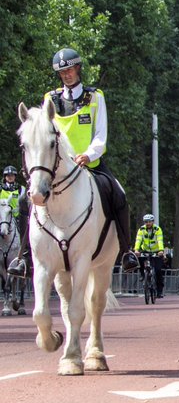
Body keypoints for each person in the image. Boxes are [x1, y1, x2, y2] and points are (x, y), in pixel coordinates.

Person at [9, 49, 139, 278]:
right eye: (62, 72)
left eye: (69, 69)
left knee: (118, 194)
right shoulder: (51, 99)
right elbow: (43, 132)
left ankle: (126, 251)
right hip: (57, 167)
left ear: (78, 68)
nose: (66, 75)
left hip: (89, 163)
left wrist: (88, 154)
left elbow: (100, 135)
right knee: (24, 199)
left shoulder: (95, 96)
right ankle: (25, 255)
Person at [134, 214, 167, 299]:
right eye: (146, 222)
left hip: (156, 251)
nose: (148, 223)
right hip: (145, 250)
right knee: (139, 260)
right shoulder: (141, 230)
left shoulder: (157, 229)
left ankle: (159, 291)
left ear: (153, 222)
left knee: (158, 270)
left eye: (149, 221)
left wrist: (161, 250)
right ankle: (142, 274)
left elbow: (160, 240)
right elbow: (138, 240)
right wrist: (136, 249)